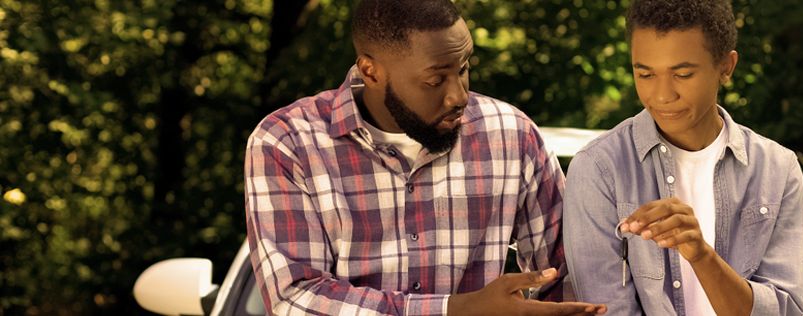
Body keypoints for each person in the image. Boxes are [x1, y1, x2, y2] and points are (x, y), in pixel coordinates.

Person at [243, 0, 606, 315]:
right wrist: (455, 310)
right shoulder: (287, 144)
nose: (458, 96)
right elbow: (296, 299)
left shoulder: (513, 135)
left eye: (463, 68)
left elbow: (571, 273)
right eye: (435, 80)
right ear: (371, 71)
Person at [563, 0, 803, 315]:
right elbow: (608, 309)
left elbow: (783, 310)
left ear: (726, 67)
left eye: (682, 74)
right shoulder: (599, 168)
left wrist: (702, 257)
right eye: (646, 74)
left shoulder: (777, 169)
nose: (663, 95)